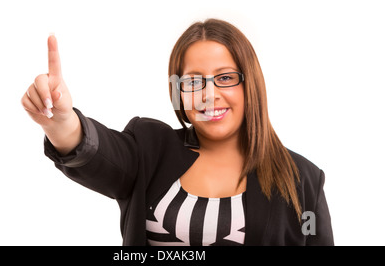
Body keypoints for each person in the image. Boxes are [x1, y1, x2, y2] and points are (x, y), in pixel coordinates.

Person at [21, 18, 334, 246]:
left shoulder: (302, 180)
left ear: (250, 84)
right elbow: (98, 153)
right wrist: (61, 123)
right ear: (178, 92)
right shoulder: (150, 149)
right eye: (193, 82)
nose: (209, 95)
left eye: (225, 78)